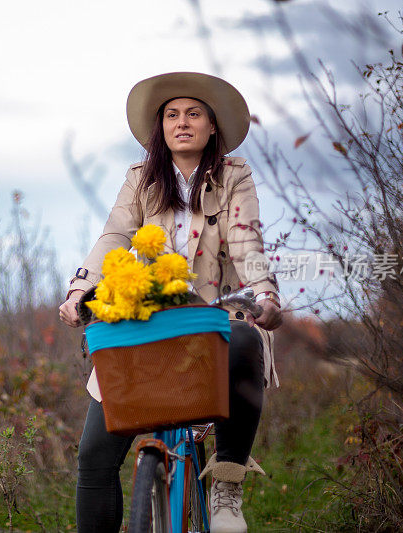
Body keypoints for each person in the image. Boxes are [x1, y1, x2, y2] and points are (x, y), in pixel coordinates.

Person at [58, 72, 283, 533]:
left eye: (194, 114)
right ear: (160, 127)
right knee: (95, 457)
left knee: (242, 339)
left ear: (212, 126)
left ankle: (226, 487)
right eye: (172, 115)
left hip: (215, 315)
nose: (182, 123)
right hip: (153, 320)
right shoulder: (140, 179)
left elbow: (245, 241)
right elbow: (115, 235)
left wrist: (264, 292)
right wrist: (80, 288)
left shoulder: (234, 176)